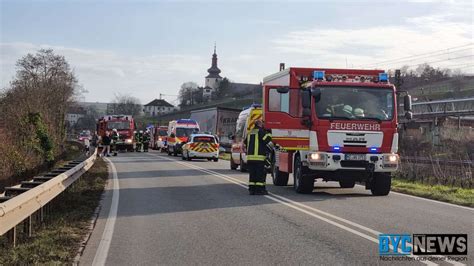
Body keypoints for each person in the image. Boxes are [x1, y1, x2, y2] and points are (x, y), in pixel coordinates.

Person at [244, 119, 272, 195]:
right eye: (262, 123)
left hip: (250, 158)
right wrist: (269, 132)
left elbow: (245, 142)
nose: (263, 124)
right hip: (259, 158)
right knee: (259, 174)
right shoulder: (261, 131)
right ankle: (259, 190)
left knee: (252, 174)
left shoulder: (250, 132)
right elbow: (267, 140)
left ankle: (251, 189)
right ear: (259, 124)